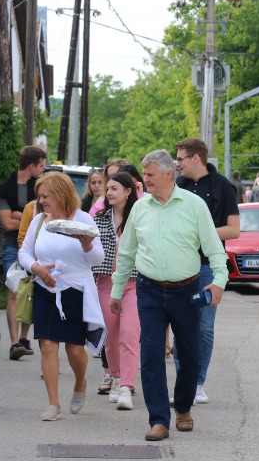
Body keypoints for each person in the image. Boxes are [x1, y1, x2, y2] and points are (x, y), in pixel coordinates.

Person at [110, 149, 228, 442]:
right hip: (148, 290)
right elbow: (126, 254)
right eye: (144, 174)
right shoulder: (139, 208)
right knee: (150, 355)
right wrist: (116, 291)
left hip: (186, 291)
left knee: (190, 355)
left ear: (168, 174)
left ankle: (184, 407)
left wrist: (219, 282)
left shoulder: (194, 205)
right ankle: (159, 420)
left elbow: (214, 248)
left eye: (149, 175)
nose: (144, 180)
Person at [19, 172, 105, 420]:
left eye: (46, 196)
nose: (42, 201)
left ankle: (80, 382)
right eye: (40, 196)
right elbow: (24, 253)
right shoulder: (38, 222)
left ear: (60, 194)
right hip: (45, 288)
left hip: (75, 290)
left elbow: (97, 260)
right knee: (47, 345)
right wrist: (36, 268)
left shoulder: (84, 219)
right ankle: (53, 403)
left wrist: (87, 244)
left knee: (74, 350)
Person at [174, 137, 240, 405]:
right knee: (180, 326)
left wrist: (200, 235)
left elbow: (234, 229)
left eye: (180, 158)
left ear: (196, 158)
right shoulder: (178, 186)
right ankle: (183, 383)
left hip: (208, 268)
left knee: (203, 327)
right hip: (179, 267)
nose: (177, 164)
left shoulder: (224, 187)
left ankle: (198, 383)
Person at [0, 145, 46, 360]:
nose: (43, 170)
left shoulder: (40, 187)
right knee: (14, 290)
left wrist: (18, 214)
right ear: (31, 166)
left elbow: (45, 216)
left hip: (38, 245)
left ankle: (23, 338)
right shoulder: (5, 189)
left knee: (32, 290)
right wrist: (27, 216)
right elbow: (6, 223)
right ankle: (13, 343)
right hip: (13, 245)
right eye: (41, 166)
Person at [94, 172, 140, 410]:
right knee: (110, 336)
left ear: (128, 191)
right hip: (105, 282)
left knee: (130, 334)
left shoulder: (140, 216)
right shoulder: (100, 217)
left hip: (133, 283)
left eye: (114, 188)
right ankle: (115, 377)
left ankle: (127, 386)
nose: (109, 193)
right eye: (107, 189)